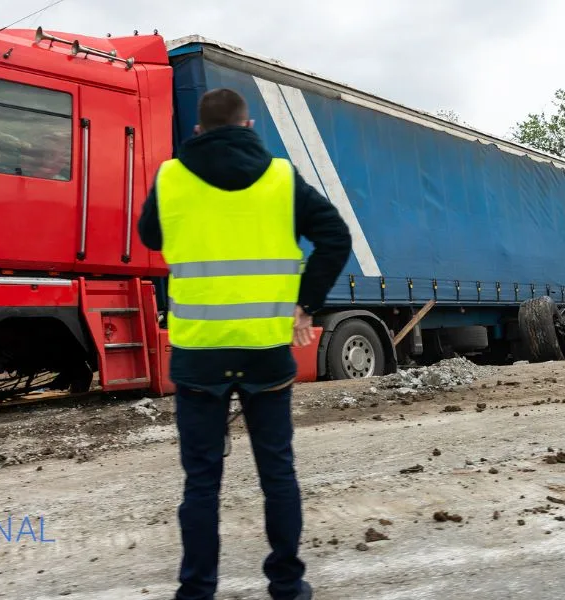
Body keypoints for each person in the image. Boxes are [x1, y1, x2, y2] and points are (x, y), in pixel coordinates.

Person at [137, 88, 351, 600]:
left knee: (201, 485)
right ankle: (287, 585)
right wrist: (307, 301)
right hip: (265, 351)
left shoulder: (171, 177)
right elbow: (335, 237)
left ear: (198, 131)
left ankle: (196, 592)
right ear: (249, 125)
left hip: (198, 355)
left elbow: (149, 237)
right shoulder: (281, 178)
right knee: (277, 474)